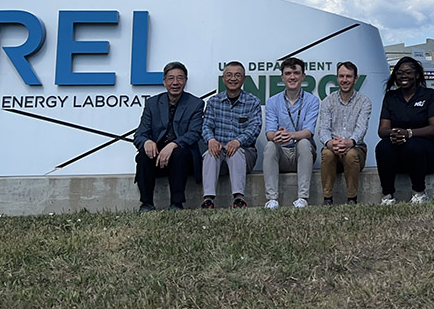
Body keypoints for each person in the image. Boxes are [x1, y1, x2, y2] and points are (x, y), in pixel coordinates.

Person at [133, 61, 204, 211]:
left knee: (179, 153)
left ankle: (176, 204)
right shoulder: (152, 103)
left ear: (185, 81)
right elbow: (140, 133)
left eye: (180, 78)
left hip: (183, 156)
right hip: (158, 156)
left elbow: (195, 133)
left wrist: (173, 145)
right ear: (164, 82)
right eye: (171, 78)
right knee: (143, 156)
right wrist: (146, 142)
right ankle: (146, 204)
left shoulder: (195, 103)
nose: (175, 82)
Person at [376, 56, 434, 205]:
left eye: (408, 72)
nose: (403, 76)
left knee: (412, 145)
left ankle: (419, 193)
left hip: (428, 152)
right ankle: (388, 196)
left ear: (417, 75)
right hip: (400, 151)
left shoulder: (429, 95)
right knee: (383, 147)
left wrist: (409, 133)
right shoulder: (391, 97)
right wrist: (394, 133)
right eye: (399, 73)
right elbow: (382, 130)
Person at [200, 61, 262, 209]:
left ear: (244, 79)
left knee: (235, 152)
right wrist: (211, 139)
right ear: (223, 78)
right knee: (210, 153)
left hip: (244, 152)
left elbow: (255, 127)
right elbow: (206, 125)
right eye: (229, 75)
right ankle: (208, 200)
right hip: (219, 151)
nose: (233, 78)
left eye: (237, 75)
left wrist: (238, 141)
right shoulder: (214, 101)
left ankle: (239, 199)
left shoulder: (252, 101)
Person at [263, 57, 320, 209]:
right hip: (282, 152)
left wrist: (290, 135)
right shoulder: (272, 101)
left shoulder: (312, 101)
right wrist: (277, 136)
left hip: (302, 153)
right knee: (270, 145)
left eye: (296, 73)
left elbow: (308, 132)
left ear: (303, 76)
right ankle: (272, 199)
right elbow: (269, 132)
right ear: (282, 77)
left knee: (304, 142)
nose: (292, 77)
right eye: (288, 73)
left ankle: (302, 198)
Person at [316, 61, 372, 205]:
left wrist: (350, 142)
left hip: (356, 148)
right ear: (337, 78)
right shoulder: (328, 101)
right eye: (341, 76)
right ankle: (327, 199)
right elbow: (323, 129)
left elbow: (361, 128)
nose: (345, 80)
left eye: (348, 76)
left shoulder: (364, 101)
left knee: (351, 154)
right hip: (333, 148)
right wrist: (330, 143)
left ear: (356, 78)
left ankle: (352, 198)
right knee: (326, 154)